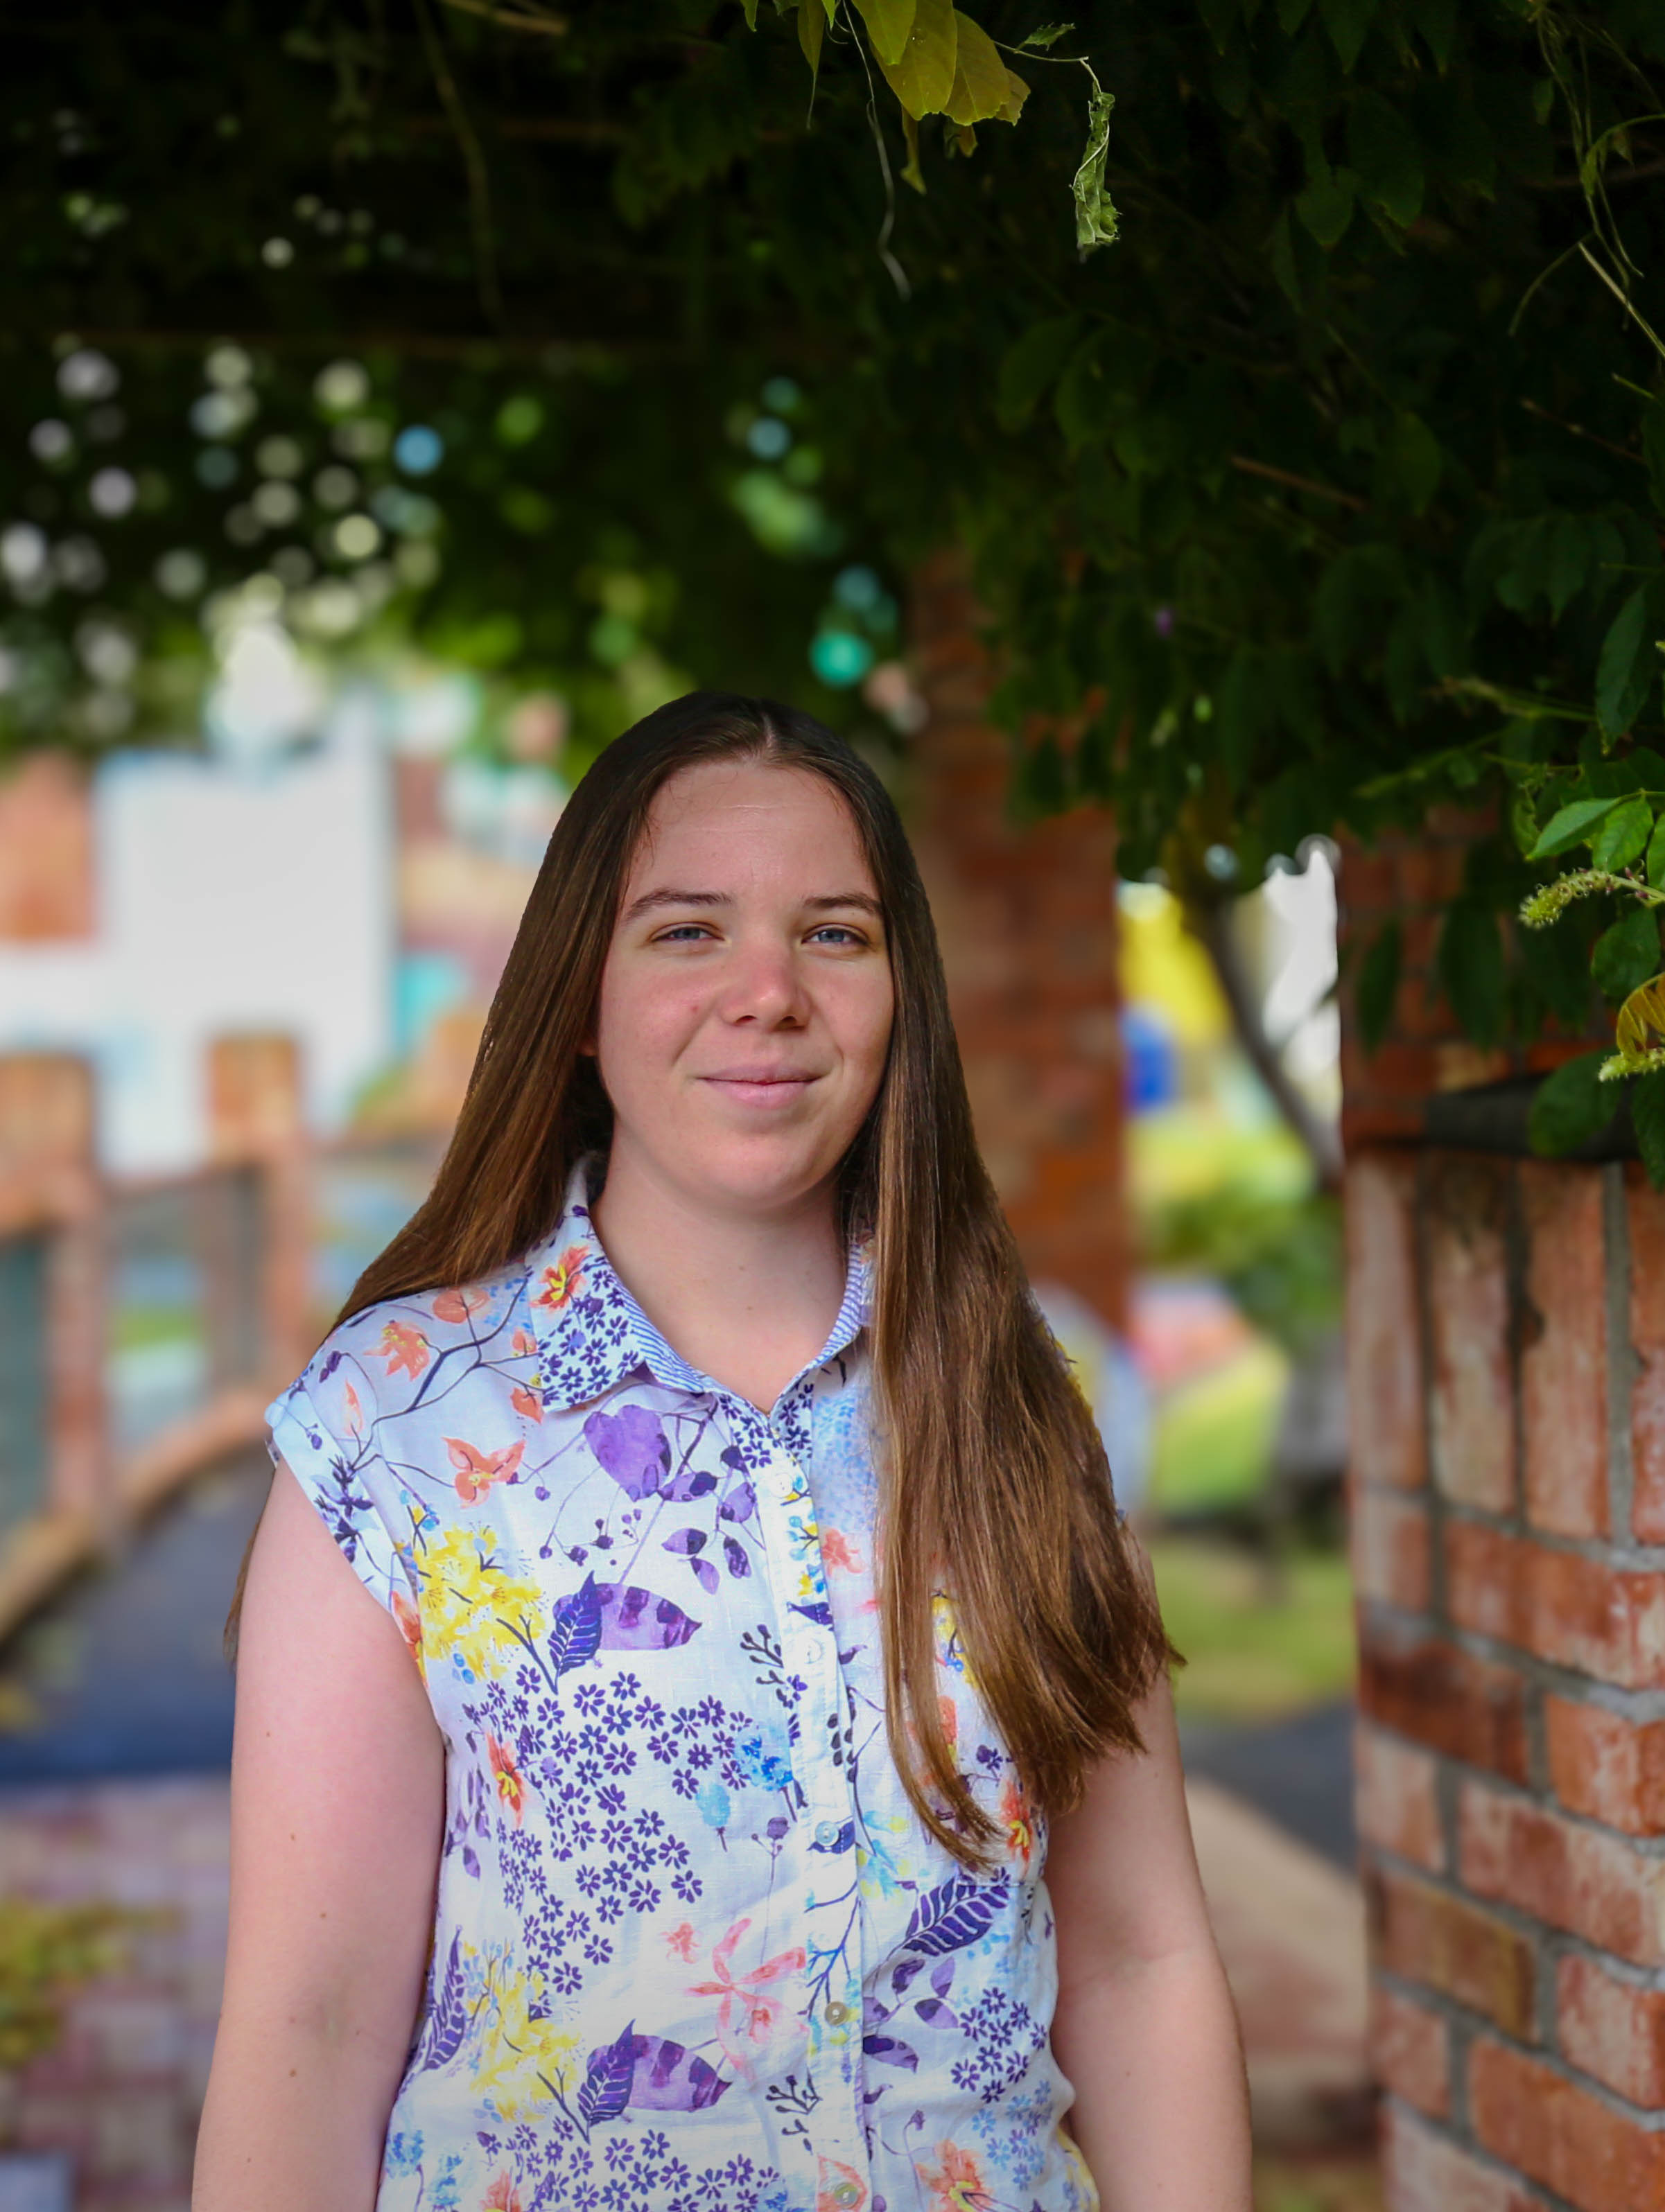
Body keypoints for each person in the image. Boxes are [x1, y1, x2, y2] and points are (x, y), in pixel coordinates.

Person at [193, 693, 1252, 2212]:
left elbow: (1141, 1960)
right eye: (687, 932)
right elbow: (310, 2029)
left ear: (903, 994)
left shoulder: (1024, 1402)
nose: (768, 992)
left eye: (834, 934)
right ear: (579, 993)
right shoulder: (399, 1429)